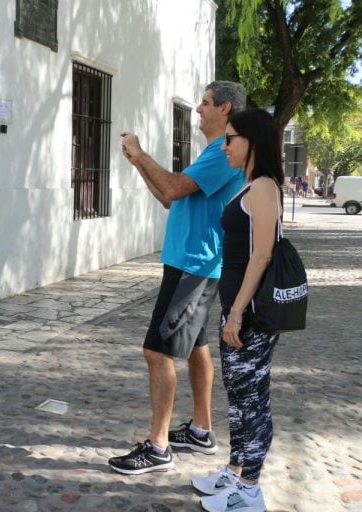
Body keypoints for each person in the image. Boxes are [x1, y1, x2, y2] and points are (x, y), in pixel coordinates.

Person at [108, 81, 247, 474]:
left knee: (157, 351)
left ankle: (158, 446)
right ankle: (201, 430)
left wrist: (141, 153)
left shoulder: (222, 152)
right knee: (197, 345)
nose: (198, 110)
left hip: (194, 264)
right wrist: (138, 163)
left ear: (224, 109)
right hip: (191, 262)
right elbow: (171, 197)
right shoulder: (212, 152)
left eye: (205, 104)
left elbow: (171, 185)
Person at [192, 109, 283, 512]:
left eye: (230, 139)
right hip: (238, 310)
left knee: (252, 400)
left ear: (252, 142)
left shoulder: (263, 186)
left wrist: (237, 313)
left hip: (250, 316)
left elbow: (262, 255)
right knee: (239, 396)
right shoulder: (250, 186)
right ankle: (234, 470)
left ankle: (249, 490)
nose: (224, 145)